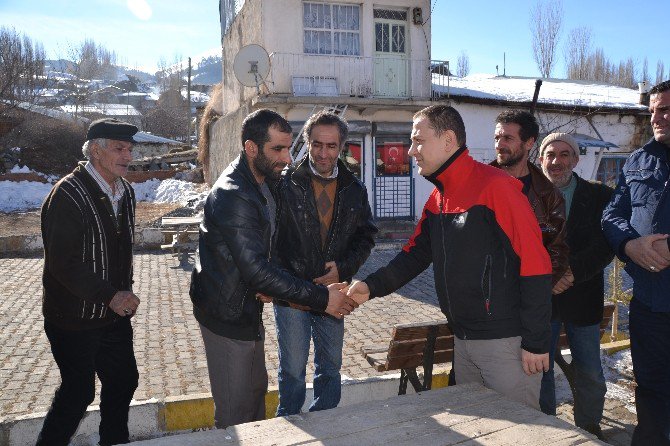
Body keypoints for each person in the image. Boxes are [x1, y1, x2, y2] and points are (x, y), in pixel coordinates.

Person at [347, 104, 552, 410]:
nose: (410, 151)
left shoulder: (498, 187)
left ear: (448, 141)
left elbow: (537, 264)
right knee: (478, 429)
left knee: (520, 434)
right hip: (463, 340)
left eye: (418, 141)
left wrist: (535, 343)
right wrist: (370, 287)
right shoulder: (438, 198)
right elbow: (414, 255)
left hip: (505, 344)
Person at [189, 109, 357, 429]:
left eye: (288, 148)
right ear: (252, 148)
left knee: (253, 400)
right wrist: (322, 298)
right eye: (277, 150)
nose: (287, 159)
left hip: (246, 308)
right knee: (235, 416)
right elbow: (255, 269)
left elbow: (272, 245)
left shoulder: (264, 181)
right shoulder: (234, 194)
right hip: (225, 315)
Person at [37, 118, 141, 446]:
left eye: (129, 149)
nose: (127, 155)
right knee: (77, 393)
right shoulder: (67, 194)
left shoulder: (125, 192)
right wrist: (109, 295)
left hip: (113, 316)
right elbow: (62, 263)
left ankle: (114, 441)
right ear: (96, 151)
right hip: (73, 319)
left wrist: (121, 295)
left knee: (124, 381)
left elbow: (120, 250)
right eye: (119, 148)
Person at [272, 111, 377, 415]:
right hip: (293, 296)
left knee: (330, 369)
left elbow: (366, 236)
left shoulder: (354, 189)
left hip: (335, 293)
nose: (323, 153)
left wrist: (344, 269)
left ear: (342, 147)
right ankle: (287, 426)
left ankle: (327, 426)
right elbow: (271, 238)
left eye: (331, 146)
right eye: (317, 144)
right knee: (292, 372)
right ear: (307, 143)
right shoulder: (285, 184)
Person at [602, 79, 670, 445]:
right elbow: (613, 214)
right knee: (651, 391)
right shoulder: (639, 159)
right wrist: (630, 245)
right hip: (650, 304)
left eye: (666, 109)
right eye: (654, 110)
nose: (657, 118)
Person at [536, 133, 613, 440]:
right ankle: (545, 428)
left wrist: (573, 273)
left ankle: (590, 426)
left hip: (583, 298)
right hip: (542, 299)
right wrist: (550, 278)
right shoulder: (525, 196)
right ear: (541, 159)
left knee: (590, 371)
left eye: (565, 154)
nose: (557, 161)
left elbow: (605, 245)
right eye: (550, 154)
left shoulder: (599, 196)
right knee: (540, 370)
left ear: (576, 159)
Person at [491, 110, 569, 286]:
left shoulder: (548, 195)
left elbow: (557, 249)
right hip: (486, 294)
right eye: (497, 138)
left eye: (507, 139)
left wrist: (537, 291)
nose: (499, 145)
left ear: (529, 143)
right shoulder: (479, 184)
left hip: (526, 296)